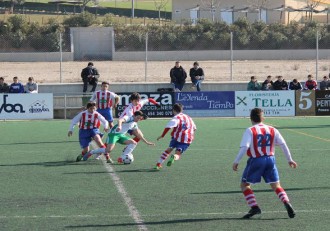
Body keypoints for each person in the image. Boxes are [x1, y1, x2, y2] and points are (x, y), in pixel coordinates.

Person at [232, 108, 297, 219]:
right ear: (263, 118)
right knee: (276, 185)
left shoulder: (250, 130)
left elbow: (245, 147)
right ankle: (286, 202)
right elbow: (283, 144)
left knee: (245, 185)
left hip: (256, 160)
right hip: (271, 160)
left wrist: (236, 161)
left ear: (250, 118)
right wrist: (289, 159)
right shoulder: (272, 129)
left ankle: (254, 207)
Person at [84, 111, 155, 162]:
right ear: (134, 115)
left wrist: (146, 142)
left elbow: (138, 134)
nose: (138, 119)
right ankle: (91, 152)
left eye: (140, 118)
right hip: (114, 134)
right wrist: (120, 126)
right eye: (137, 118)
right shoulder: (129, 118)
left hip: (121, 135)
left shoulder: (134, 124)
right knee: (108, 150)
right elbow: (120, 120)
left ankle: (124, 156)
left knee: (133, 143)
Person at [118, 92, 161, 163]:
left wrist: (156, 103)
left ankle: (125, 153)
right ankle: (102, 151)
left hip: (132, 124)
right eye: (135, 101)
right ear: (131, 101)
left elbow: (149, 99)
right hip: (124, 123)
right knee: (113, 139)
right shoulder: (129, 108)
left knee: (140, 136)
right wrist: (142, 118)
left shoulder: (140, 103)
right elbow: (133, 118)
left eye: (138, 100)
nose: (137, 102)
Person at [154, 103, 197, 170]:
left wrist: (162, 136)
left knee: (169, 150)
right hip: (187, 139)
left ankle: (158, 164)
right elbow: (194, 128)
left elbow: (168, 127)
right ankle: (174, 157)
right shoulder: (189, 117)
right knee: (178, 153)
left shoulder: (176, 118)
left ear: (173, 110)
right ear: (182, 110)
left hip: (176, 137)